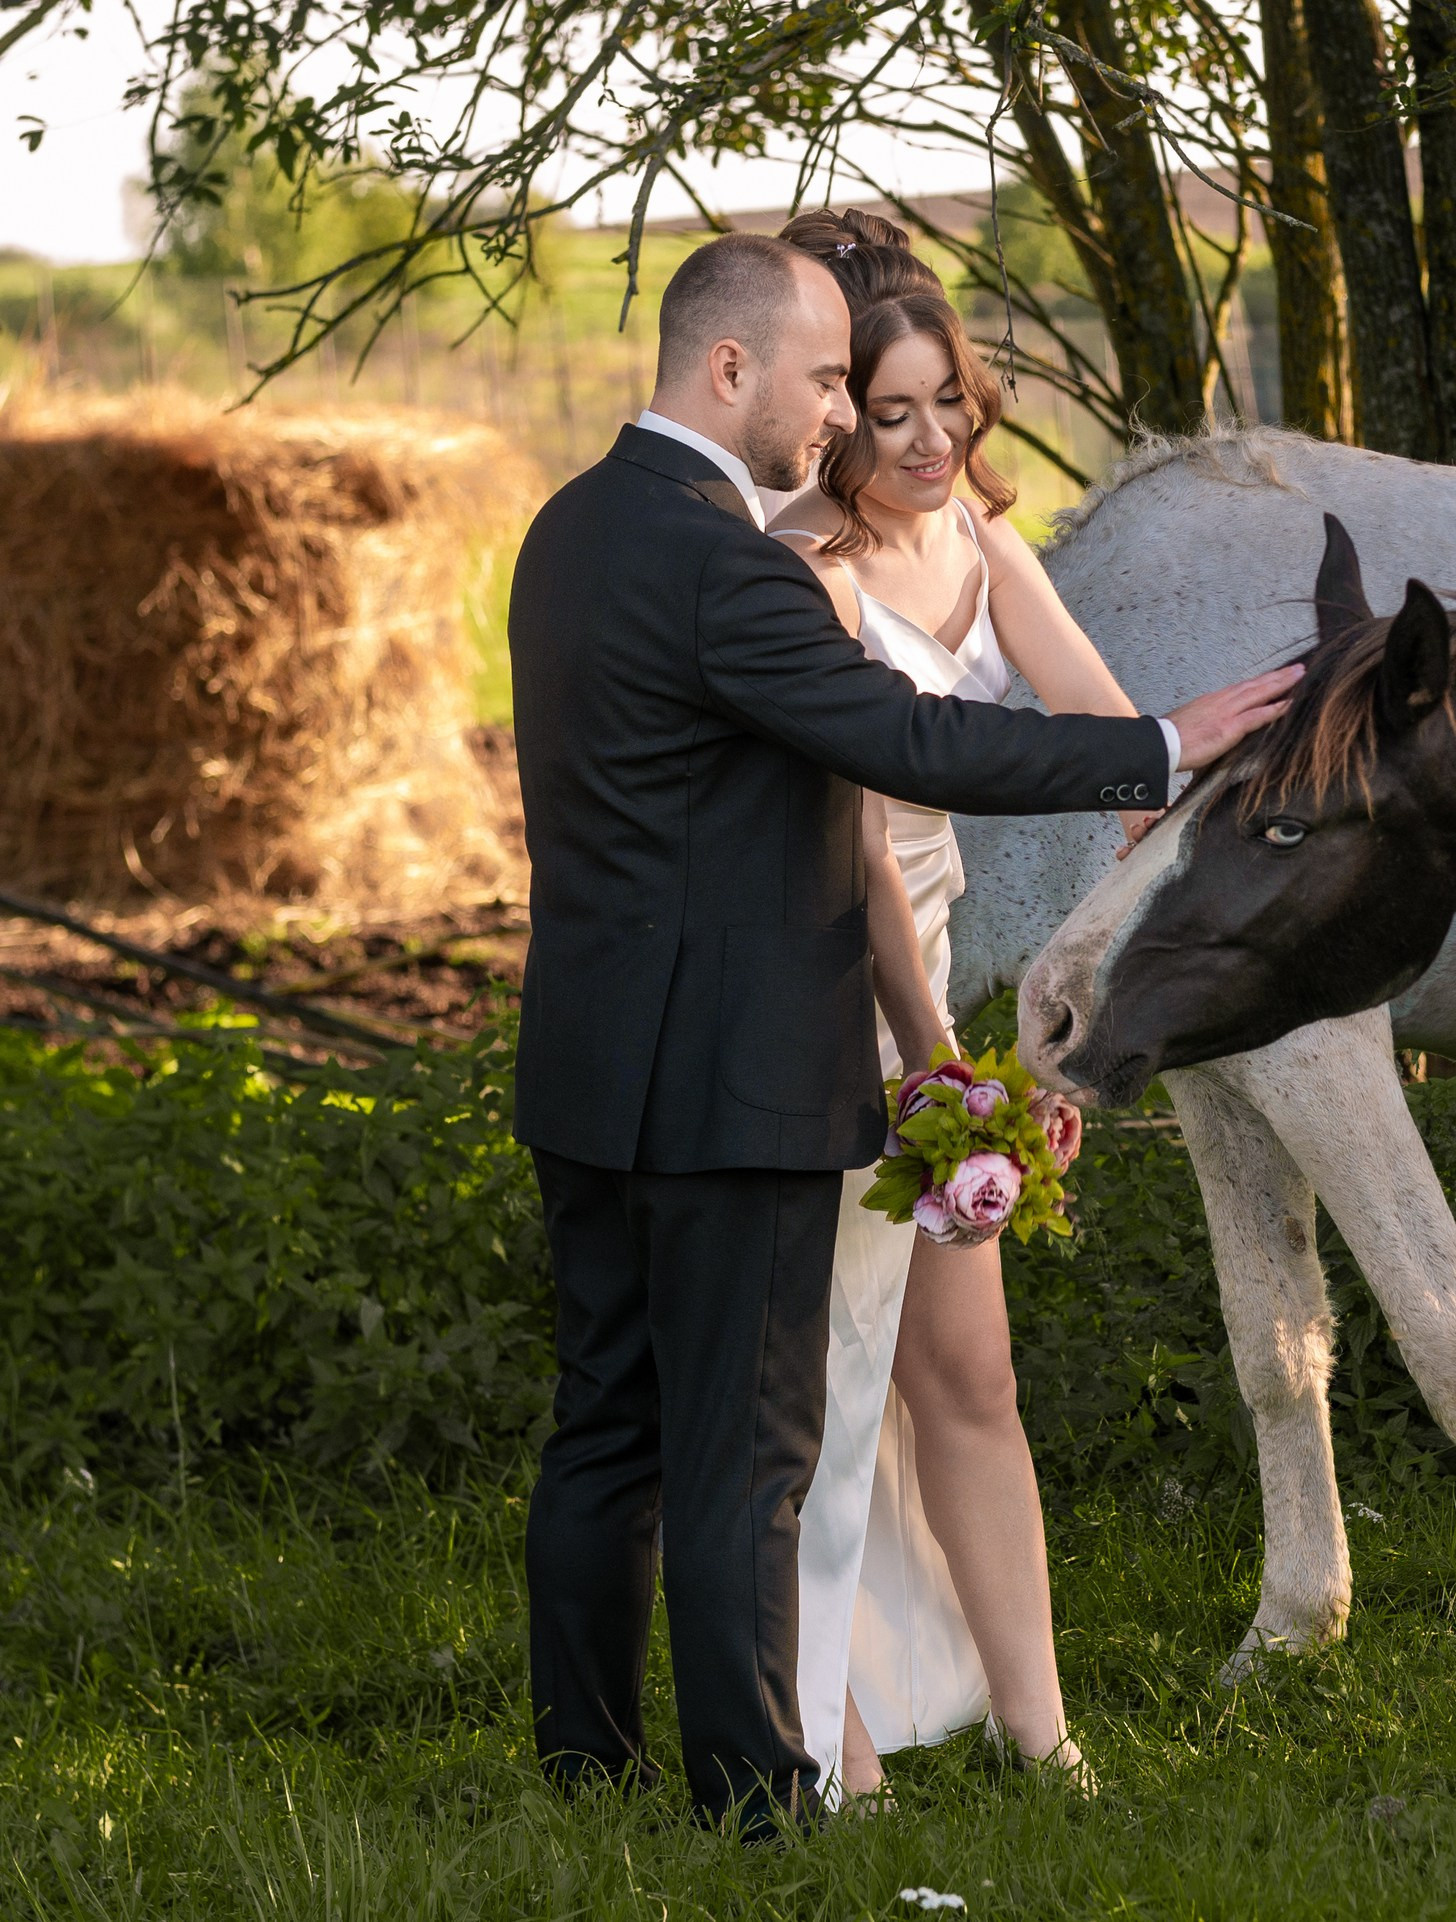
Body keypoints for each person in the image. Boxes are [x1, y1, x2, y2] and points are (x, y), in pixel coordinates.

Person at [506, 229, 1299, 1836]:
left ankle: (585, 1774)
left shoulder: (567, 530)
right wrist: (1155, 743)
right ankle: (759, 1804)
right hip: (738, 1078)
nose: (830, 418)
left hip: (592, 1059)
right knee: (752, 1452)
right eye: (818, 382)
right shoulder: (730, 558)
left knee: (609, 1429)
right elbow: (898, 734)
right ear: (727, 368)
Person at [751, 209, 1134, 1807]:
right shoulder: (801, 568)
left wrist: (1069, 1043)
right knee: (826, 1378)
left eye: (944, 407)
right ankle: (825, 1736)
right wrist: (938, 1065)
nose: (920, 439)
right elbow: (856, 848)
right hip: (825, 984)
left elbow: (1119, 750)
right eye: (884, 409)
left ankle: (1043, 1735)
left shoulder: (989, 551)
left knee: (969, 1378)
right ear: (839, 413)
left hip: (937, 992)